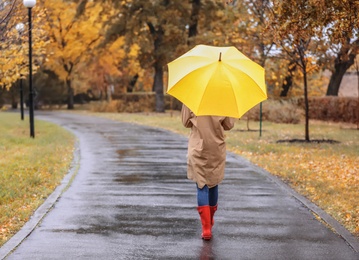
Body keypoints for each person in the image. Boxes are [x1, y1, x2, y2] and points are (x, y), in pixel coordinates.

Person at [181, 104, 235, 240]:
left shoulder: (192, 98)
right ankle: (210, 219)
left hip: (198, 146)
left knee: (202, 184)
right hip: (216, 147)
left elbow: (185, 122)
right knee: (213, 182)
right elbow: (228, 125)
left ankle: (206, 228)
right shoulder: (223, 98)